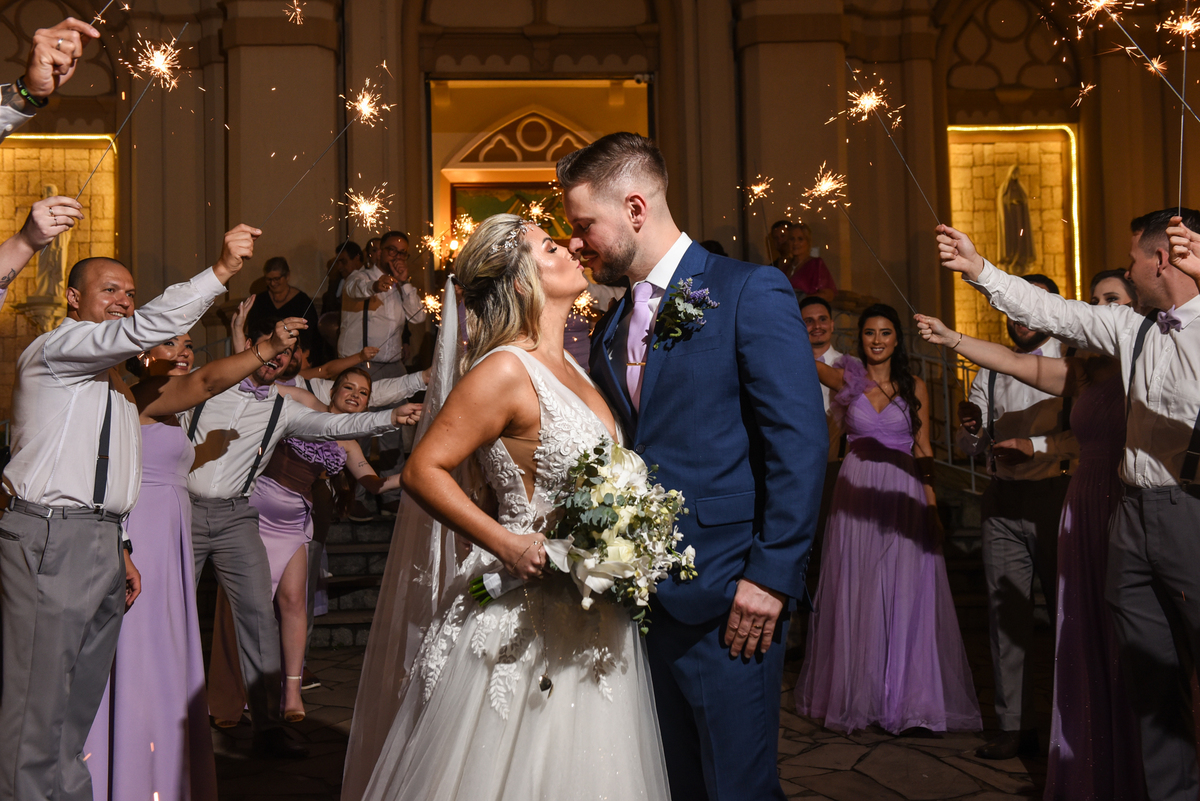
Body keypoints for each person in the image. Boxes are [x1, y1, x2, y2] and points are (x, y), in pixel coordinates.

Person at [349, 214, 671, 800]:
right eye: (550, 246)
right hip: (524, 605)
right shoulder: (504, 368)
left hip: (591, 605)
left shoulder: (575, 368)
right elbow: (424, 470)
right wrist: (507, 543)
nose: (571, 248)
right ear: (523, 281)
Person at [563, 132, 827, 800]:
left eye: (585, 224)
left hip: (732, 594)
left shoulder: (747, 290)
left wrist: (771, 575)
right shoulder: (611, 323)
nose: (577, 241)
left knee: (738, 786)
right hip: (642, 599)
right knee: (672, 784)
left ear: (634, 208)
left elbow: (798, 442)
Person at [939, 209, 1200, 801]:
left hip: (1190, 510)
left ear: (1162, 260)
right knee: (1150, 685)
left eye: (1134, 260)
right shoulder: (1131, 330)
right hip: (1130, 516)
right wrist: (979, 269)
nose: (1128, 271)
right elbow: (1054, 312)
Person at [0, 224, 255, 801]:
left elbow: (105, 473)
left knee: (76, 712)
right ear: (73, 298)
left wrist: (120, 545)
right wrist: (219, 272)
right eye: (109, 290)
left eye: (130, 293)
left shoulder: (113, 381)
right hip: (50, 538)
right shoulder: (59, 349)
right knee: (36, 710)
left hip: (101, 541)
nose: (123, 300)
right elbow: (148, 330)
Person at [915, 273, 1146, 800]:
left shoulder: (1140, 361)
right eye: (1096, 301)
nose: (1101, 308)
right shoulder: (1080, 371)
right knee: (1040, 620)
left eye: (1112, 300)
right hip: (1055, 501)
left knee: (1098, 620)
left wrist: (1037, 447)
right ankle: (1050, 733)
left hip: (1094, 498)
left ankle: (1119, 738)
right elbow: (1012, 365)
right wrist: (952, 339)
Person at [83, 319, 303, 801]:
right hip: (143, 533)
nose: (184, 351)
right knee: (139, 643)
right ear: (141, 353)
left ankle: (162, 759)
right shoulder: (142, 395)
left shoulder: (173, 407)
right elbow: (207, 382)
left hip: (172, 534)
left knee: (166, 646)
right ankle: (128, 760)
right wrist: (265, 346)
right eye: (170, 343)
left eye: (187, 345)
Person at [183, 320, 418, 759]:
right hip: (253, 512)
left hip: (293, 522)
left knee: (288, 606)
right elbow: (249, 378)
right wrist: (243, 341)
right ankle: (221, 699)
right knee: (233, 613)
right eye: (348, 388)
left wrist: (410, 461)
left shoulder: (335, 431)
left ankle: (285, 699)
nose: (355, 395)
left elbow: (369, 478)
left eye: (363, 393)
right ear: (332, 389)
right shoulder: (299, 400)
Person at [796, 304, 980, 735]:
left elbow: (924, 449)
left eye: (884, 333)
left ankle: (909, 701)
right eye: (869, 333)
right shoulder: (846, 379)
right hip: (856, 492)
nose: (876, 340)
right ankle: (860, 697)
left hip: (903, 492)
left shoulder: (915, 385)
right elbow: (799, 354)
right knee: (858, 589)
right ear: (859, 339)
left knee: (905, 590)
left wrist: (931, 505)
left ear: (897, 339)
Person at [955, 273, 1077, 760]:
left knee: (1067, 613)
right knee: (1007, 616)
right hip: (1002, 500)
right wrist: (971, 430)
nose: (1020, 319)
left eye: (1030, 307)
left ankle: (1073, 723)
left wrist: (1035, 446)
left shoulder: (1072, 362)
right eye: (1013, 310)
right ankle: (1014, 725)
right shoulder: (991, 368)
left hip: (1057, 495)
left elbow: (1085, 435)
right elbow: (970, 444)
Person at [340, 231, 427, 515]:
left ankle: (391, 494)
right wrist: (376, 285)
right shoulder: (361, 277)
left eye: (402, 253)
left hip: (393, 366)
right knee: (361, 432)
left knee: (394, 432)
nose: (396, 257)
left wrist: (405, 283)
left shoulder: (402, 286)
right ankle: (357, 497)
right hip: (363, 367)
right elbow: (356, 289)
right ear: (378, 251)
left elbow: (418, 317)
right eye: (392, 251)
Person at [245, 256, 320, 355]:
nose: (273, 283)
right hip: (264, 351)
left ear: (287, 276)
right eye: (269, 279)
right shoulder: (260, 300)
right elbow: (253, 329)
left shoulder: (302, 301)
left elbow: (310, 334)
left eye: (277, 279)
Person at [782, 221, 837, 302]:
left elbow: (828, 294)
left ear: (808, 242)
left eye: (800, 239)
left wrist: (804, 300)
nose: (795, 243)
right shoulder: (785, 268)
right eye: (792, 239)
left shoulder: (816, 264)